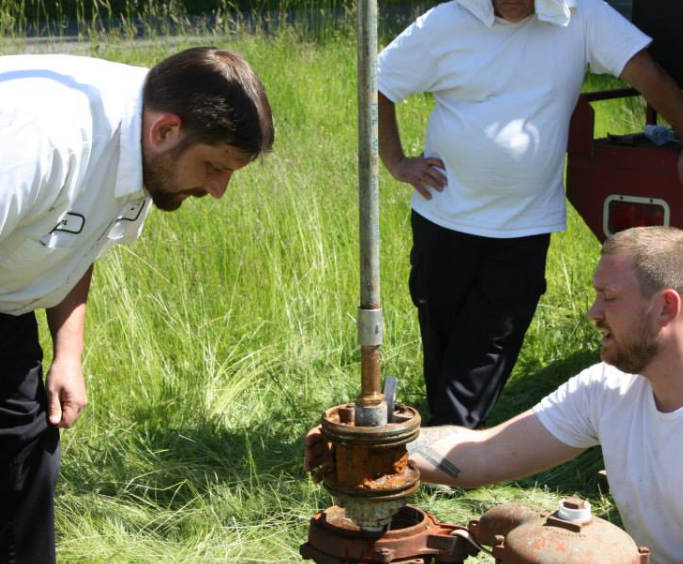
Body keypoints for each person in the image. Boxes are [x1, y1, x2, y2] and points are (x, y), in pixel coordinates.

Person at [0, 47, 274, 564]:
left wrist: (68, 352)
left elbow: (78, 237)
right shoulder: (40, 140)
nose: (218, 191)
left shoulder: (145, 138)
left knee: (27, 463)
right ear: (166, 130)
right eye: (214, 167)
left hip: (7, 307)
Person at [377, 0, 683, 428]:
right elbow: (381, 81)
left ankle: (452, 437)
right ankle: (445, 432)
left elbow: (647, 74)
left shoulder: (582, 16)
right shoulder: (446, 21)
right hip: (444, 216)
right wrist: (395, 161)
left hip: (525, 223)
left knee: (494, 337)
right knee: (442, 330)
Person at [306, 225, 683, 564]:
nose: (592, 312)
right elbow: (486, 452)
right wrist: (374, 447)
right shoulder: (606, 388)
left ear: (666, 306)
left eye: (609, 297)